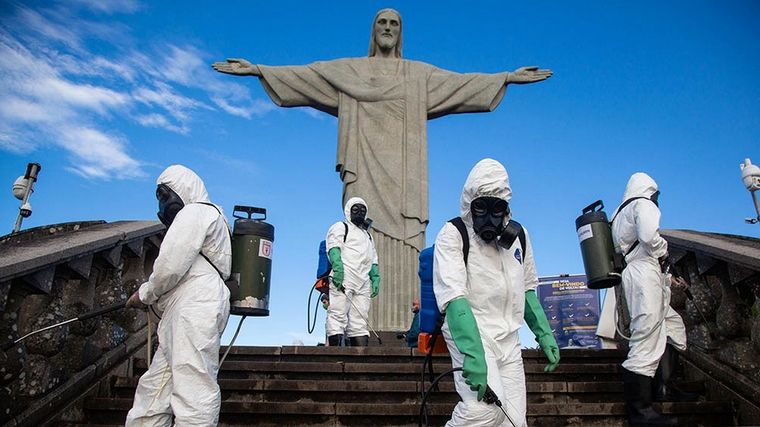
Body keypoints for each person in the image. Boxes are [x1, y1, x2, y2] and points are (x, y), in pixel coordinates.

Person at [212, 8, 551, 333]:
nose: (388, 28)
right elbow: (308, 76)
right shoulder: (351, 71)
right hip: (364, 173)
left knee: (407, 248)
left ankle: (409, 324)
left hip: (406, 182)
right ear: (373, 31)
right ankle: (359, 328)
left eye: (394, 23)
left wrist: (505, 77)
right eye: (382, 23)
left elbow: (460, 84)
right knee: (361, 236)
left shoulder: (418, 75)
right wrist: (259, 70)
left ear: (400, 32)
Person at [433, 159, 559, 426]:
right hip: (473, 331)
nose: (489, 217)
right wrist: (474, 355)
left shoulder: (520, 237)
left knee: (514, 420)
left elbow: (527, 289)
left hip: (509, 340)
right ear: (469, 205)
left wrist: (544, 334)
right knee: (484, 411)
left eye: (497, 208)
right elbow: (454, 299)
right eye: (481, 207)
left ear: (506, 209)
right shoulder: (453, 234)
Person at [124, 165, 232, 426]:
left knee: (193, 385)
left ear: (183, 188)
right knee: (155, 387)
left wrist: (145, 294)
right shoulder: (213, 219)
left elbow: (170, 265)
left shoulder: (197, 211)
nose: (163, 204)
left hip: (195, 302)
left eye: (165, 195)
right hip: (186, 305)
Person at [610, 172, 691, 427]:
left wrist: (668, 279)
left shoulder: (618, 214)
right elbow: (647, 238)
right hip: (644, 273)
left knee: (673, 327)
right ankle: (640, 411)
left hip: (642, 273)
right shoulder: (642, 204)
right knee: (646, 335)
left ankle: (665, 388)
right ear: (650, 191)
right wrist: (664, 249)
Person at [325, 197, 380, 347]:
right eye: (356, 209)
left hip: (362, 281)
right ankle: (335, 352)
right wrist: (338, 269)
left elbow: (373, 258)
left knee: (360, 318)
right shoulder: (341, 227)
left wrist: (375, 277)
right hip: (344, 277)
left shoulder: (367, 235)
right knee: (338, 314)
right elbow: (333, 247)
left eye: (363, 210)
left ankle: (360, 354)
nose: (360, 213)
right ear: (349, 210)